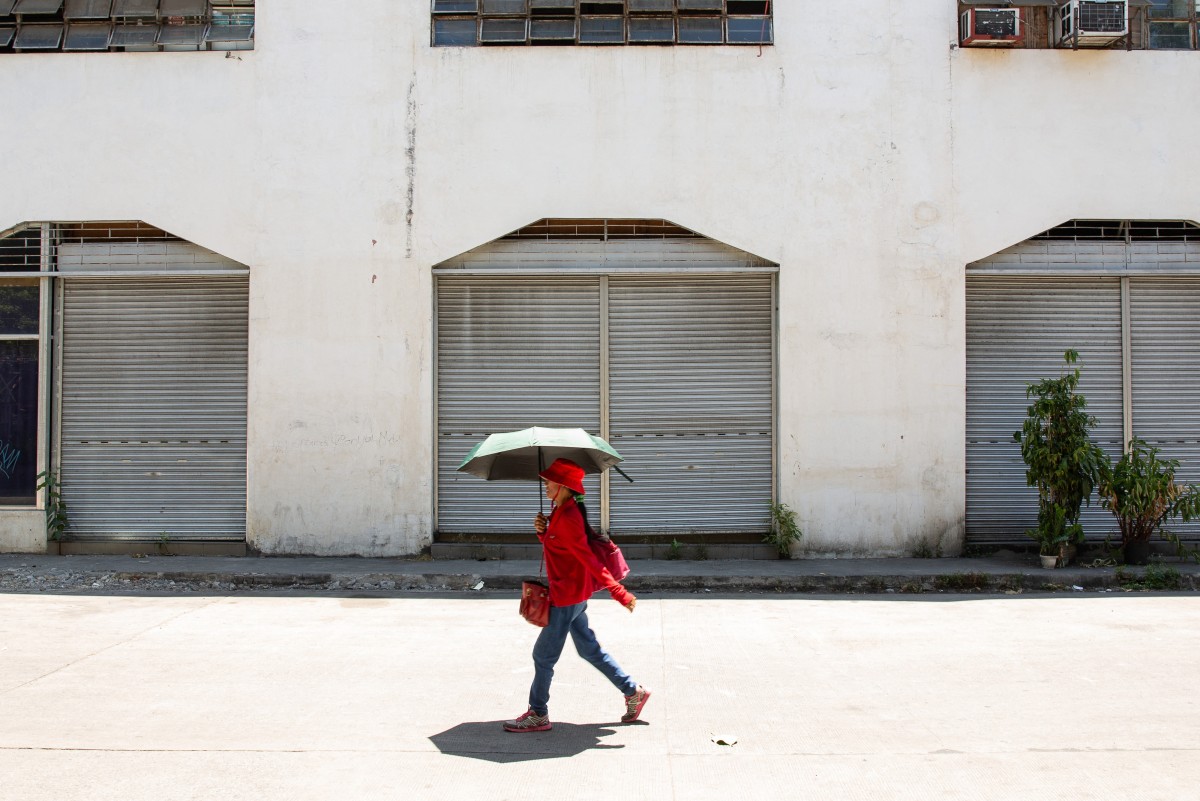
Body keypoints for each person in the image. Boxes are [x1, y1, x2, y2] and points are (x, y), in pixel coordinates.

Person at [503, 457, 651, 733]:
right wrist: (543, 532)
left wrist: (619, 593)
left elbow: (590, 561)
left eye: (549, 482)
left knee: (543, 656)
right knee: (589, 650)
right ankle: (633, 692)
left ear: (562, 486)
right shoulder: (561, 511)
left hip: (566, 598)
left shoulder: (569, 517)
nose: (545, 485)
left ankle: (538, 713)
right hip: (573, 595)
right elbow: (560, 550)